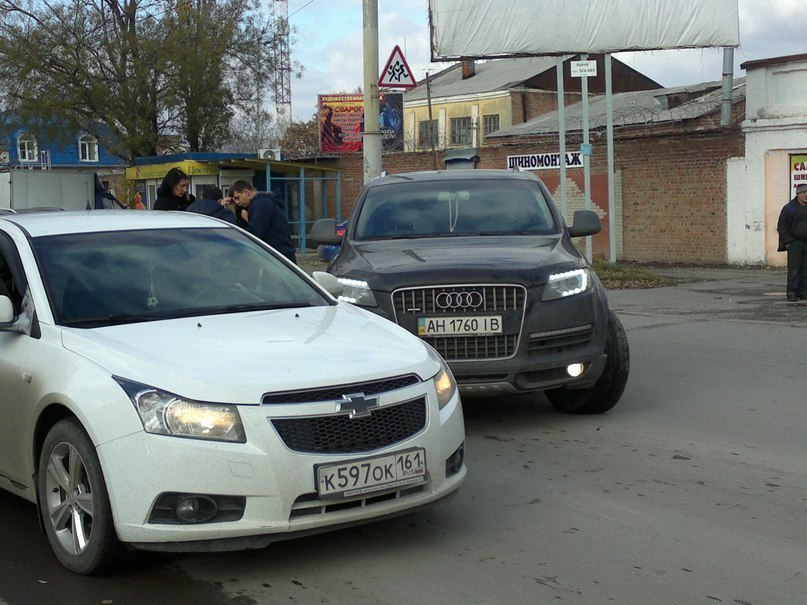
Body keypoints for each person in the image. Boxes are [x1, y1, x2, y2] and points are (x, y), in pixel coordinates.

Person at [225, 179, 297, 263]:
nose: (237, 202)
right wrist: (233, 209)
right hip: (275, 256)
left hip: (278, 257)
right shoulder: (259, 203)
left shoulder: (261, 203)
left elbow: (255, 234)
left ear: (247, 193)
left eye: (237, 198)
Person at [777, 182, 807, 302]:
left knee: (806, 269)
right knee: (794, 269)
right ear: (798, 194)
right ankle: (792, 292)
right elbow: (782, 226)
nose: (806, 195)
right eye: (804, 193)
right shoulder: (789, 208)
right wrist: (788, 241)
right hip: (795, 243)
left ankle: (804, 292)